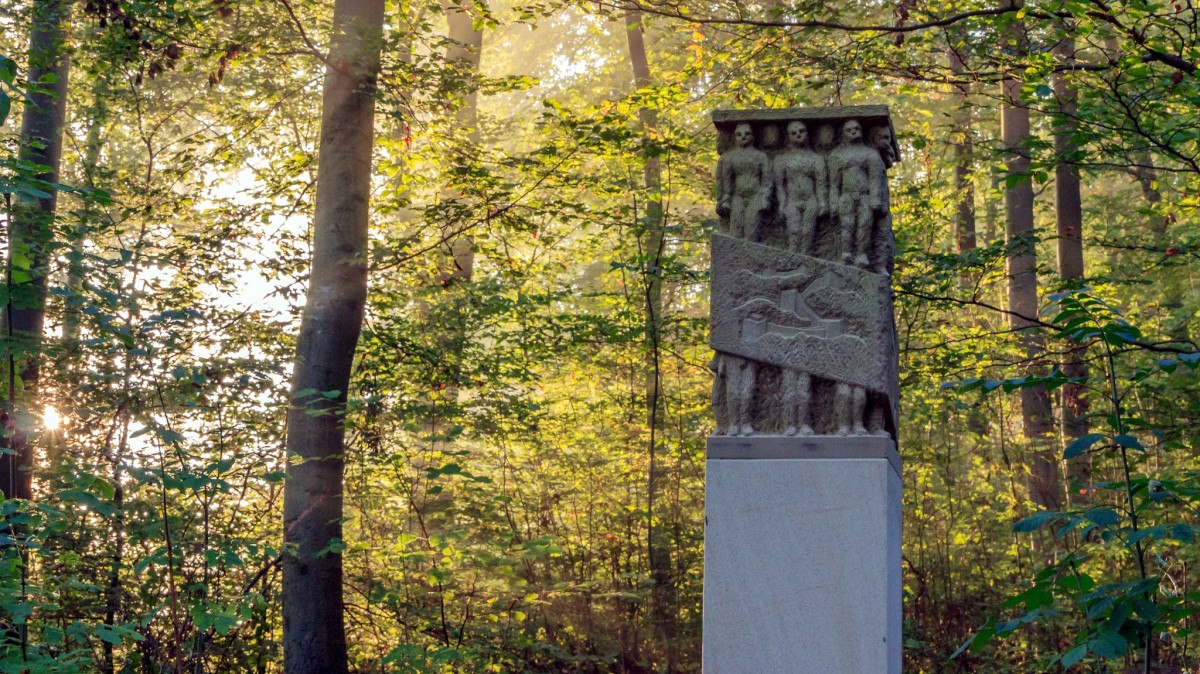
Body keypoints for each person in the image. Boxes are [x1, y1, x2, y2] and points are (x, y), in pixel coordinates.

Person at [827, 119, 885, 268]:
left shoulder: (870, 154)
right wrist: (833, 202)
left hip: (864, 196)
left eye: (856, 128)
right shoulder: (837, 155)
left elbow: (875, 178)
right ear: (843, 134)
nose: (854, 131)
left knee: (864, 225)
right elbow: (834, 183)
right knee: (847, 224)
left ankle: (861, 254)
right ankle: (846, 253)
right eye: (849, 130)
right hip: (846, 196)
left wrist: (875, 198)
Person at [773, 121, 828, 255]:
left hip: (810, 200)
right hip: (792, 200)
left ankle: (805, 258)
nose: (798, 135)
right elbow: (780, 186)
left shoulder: (816, 159)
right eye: (794, 133)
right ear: (788, 137)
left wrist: (822, 202)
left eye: (801, 131)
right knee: (794, 231)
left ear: (807, 133)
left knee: (807, 231)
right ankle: (793, 258)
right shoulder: (781, 160)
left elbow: (821, 183)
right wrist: (782, 204)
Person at [716, 122, 771, 242]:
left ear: (753, 136)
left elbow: (767, 179)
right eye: (739, 134)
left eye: (747, 134)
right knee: (736, 230)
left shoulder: (760, 156)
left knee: (752, 231)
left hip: (755, 196)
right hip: (738, 197)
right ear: (734, 137)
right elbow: (726, 178)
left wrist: (765, 197)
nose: (743, 137)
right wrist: (726, 197)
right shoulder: (730, 157)